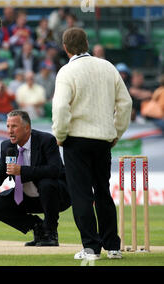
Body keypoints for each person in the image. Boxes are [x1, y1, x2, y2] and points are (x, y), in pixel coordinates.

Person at [52, 27, 132, 260]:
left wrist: (60, 134)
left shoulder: (67, 71)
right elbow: (125, 104)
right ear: (86, 43)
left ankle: (91, 247)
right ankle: (113, 246)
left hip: (76, 140)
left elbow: (60, 108)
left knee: (82, 195)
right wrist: (116, 131)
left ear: (65, 48)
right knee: (103, 192)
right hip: (102, 140)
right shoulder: (108, 67)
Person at [0, 110, 70, 246]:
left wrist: (22, 171)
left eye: (14, 126)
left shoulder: (46, 140)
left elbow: (56, 170)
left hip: (57, 196)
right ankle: (38, 226)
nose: (10, 131)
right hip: (26, 198)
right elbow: (2, 173)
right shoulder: (7, 146)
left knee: (46, 183)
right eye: (8, 126)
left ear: (27, 128)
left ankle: (50, 232)